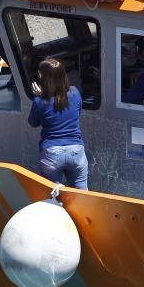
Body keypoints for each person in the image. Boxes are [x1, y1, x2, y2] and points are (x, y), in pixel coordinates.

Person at [28, 57, 88, 190]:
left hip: (51, 153)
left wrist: (39, 97)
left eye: (40, 74)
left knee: (52, 195)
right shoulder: (75, 93)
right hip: (76, 151)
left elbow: (33, 122)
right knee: (83, 196)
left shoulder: (40, 101)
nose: (38, 76)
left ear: (46, 79)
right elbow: (77, 114)